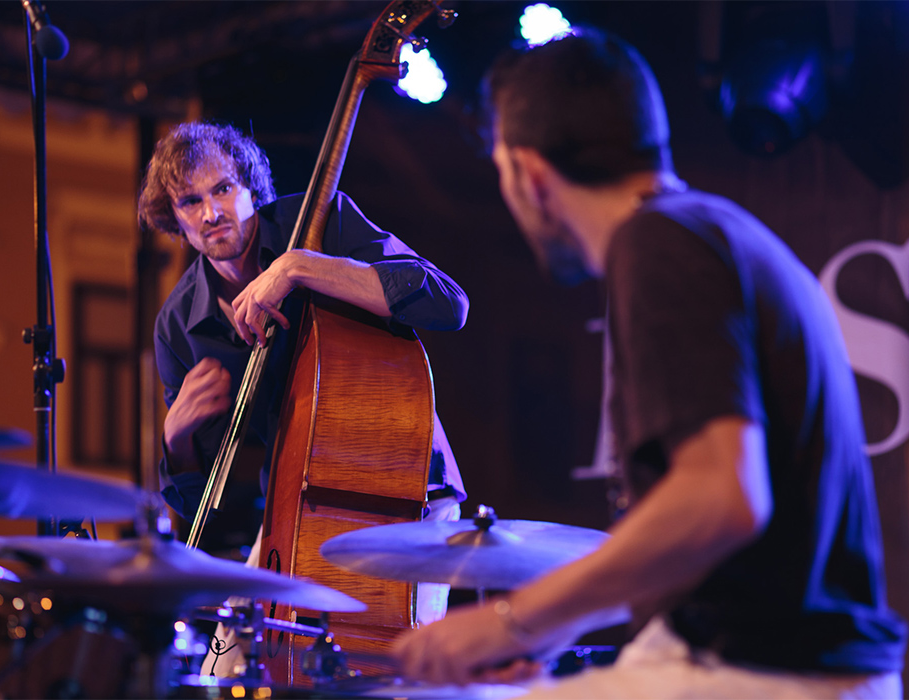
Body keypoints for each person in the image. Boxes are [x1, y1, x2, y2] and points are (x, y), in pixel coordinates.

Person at [391, 28, 907, 699]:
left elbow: (723, 500)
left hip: (775, 676)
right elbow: (710, 547)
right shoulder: (710, 230)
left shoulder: (659, 244)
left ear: (528, 173)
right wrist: (550, 631)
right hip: (786, 662)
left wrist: (511, 621)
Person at [137, 122, 468, 672]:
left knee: (395, 674)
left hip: (403, 493)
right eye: (190, 201)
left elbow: (447, 303)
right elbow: (201, 510)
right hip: (296, 512)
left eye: (223, 189)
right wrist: (177, 441)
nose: (211, 212)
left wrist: (299, 267)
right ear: (174, 217)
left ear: (250, 187)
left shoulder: (320, 223)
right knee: (223, 673)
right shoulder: (177, 325)